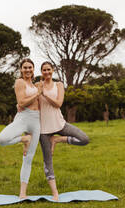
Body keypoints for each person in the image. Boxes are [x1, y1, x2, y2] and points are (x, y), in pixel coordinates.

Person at [20, 61, 89, 201]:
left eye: (49, 69)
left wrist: (44, 94)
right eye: (44, 70)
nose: (46, 72)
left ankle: (57, 139)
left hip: (60, 124)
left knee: (84, 139)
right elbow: (31, 107)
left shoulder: (59, 85)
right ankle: (55, 193)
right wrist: (28, 133)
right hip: (44, 130)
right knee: (48, 161)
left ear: (53, 70)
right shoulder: (37, 86)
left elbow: (58, 103)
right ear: (41, 71)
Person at [0, 58, 42, 199]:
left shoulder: (35, 85)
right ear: (21, 69)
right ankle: (24, 139)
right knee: (2, 139)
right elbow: (21, 103)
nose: (28, 70)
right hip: (23, 118)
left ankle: (23, 193)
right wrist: (37, 94)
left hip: (36, 120)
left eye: (30, 67)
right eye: (25, 67)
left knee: (28, 159)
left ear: (33, 69)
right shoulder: (20, 82)